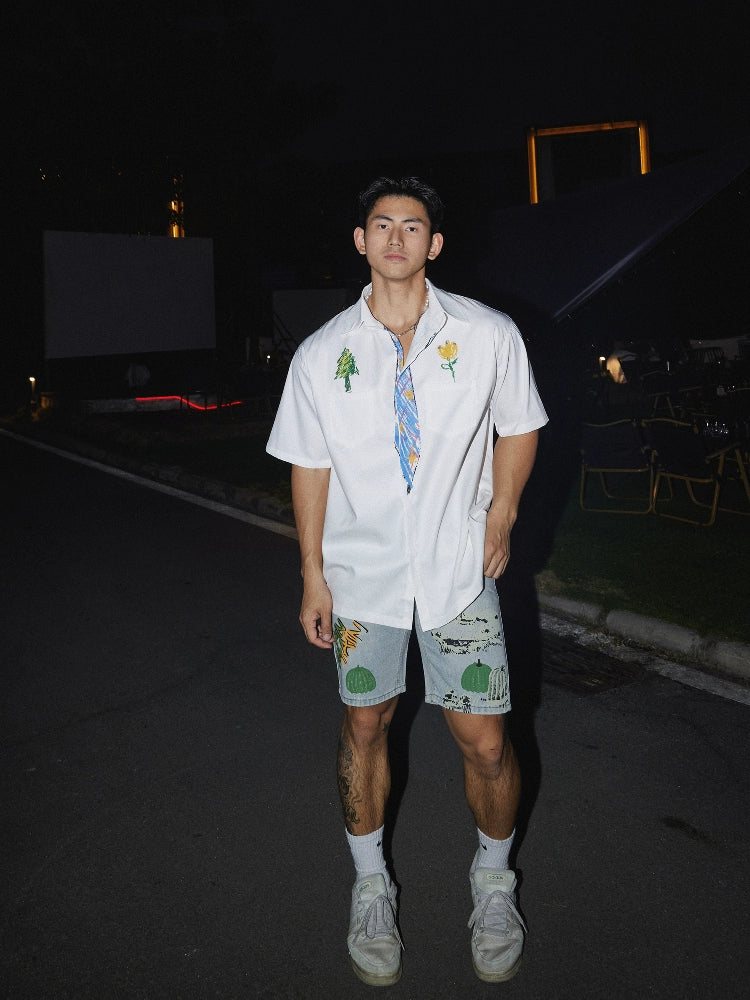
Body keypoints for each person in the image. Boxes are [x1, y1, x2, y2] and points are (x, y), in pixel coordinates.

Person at [266, 176, 548, 986]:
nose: (396, 237)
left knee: (486, 741)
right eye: (382, 224)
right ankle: (370, 889)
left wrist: (502, 515)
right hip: (364, 580)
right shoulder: (322, 354)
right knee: (364, 727)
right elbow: (310, 465)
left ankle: (493, 884)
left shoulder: (487, 335)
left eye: (413, 225)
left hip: (460, 573)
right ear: (361, 241)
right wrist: (312, 572)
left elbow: (520, 425)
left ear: (435, 243)